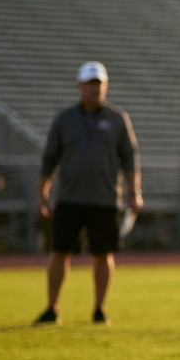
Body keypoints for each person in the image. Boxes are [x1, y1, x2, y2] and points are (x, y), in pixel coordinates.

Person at [34, 61, 141, 326]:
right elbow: (50, 158)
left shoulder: (117, 119)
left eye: (98, 84)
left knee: (103, 254)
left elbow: (129, 158)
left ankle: (99, 309)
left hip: (105, 198)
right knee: (59, 251)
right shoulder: (65, 119)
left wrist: (134, 192)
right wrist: (42, 191)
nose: (94, 89)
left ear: (105, 85)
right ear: (80, 85)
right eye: (90, 84)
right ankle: (52, 308)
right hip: (70, 197)